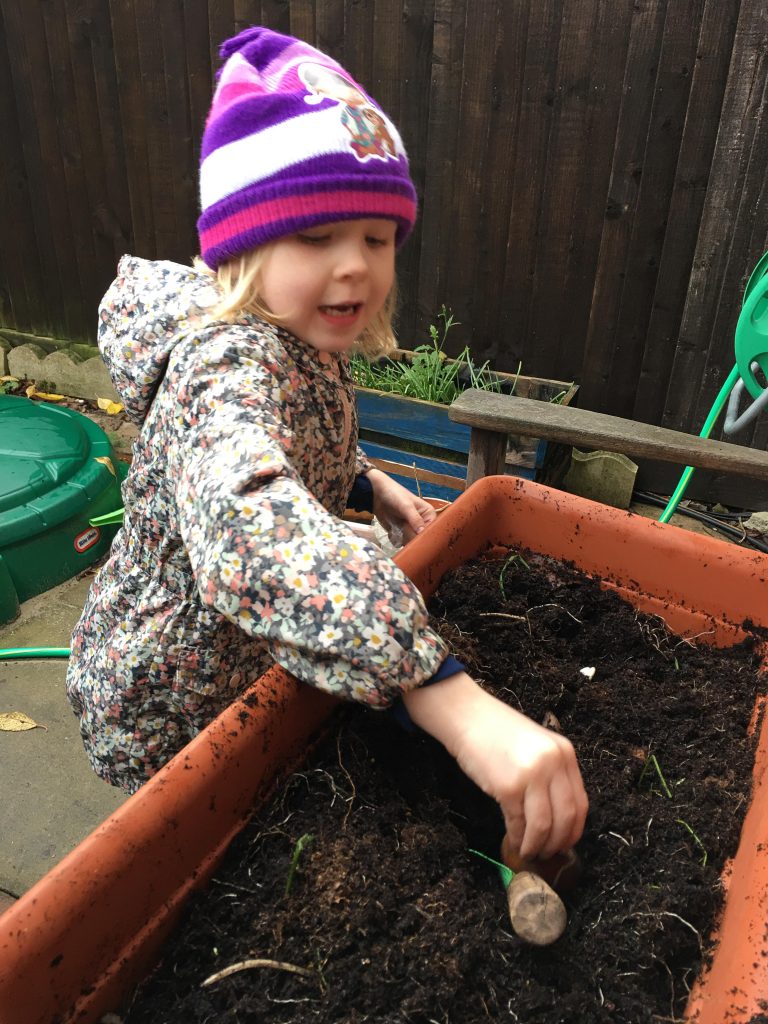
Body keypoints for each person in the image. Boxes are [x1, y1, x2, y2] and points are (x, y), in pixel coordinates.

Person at [66, 26, 587, 861]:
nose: (354, 266)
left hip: (261, 658)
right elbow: (249, 525)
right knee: (191, 855)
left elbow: (295, 438)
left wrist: (361, 483)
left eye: (376, 238)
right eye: (317, 237)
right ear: (242, 242)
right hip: (176, 694)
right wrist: (446, 697)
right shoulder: (223, 363)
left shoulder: (302, 331)